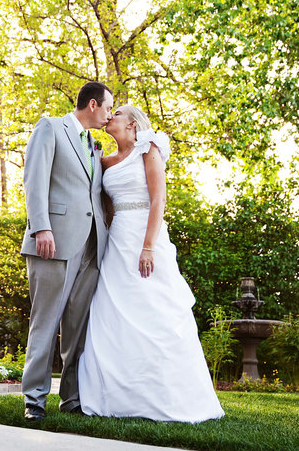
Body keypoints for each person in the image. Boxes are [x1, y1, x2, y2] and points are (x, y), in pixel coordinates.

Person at [77, 105, 225, 423]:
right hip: (116, 243)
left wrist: (147, 248)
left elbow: (158, 199)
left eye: (115, 113)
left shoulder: (149, 148)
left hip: (146, 238)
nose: (108, 116)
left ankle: (169, 396)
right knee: (111, 312)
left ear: (131, 123)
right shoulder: (103, 161)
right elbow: (104, 209)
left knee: (156, 313)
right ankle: (116, 397)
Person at [20, 81, 113, 421]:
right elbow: (34, 179)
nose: (109, 115)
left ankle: (71, 397)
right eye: (107, 107)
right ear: (92, 104)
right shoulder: (50, 127)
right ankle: (34, 399)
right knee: (45, 321)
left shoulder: (94, 145)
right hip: (53, 241)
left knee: (78, 325)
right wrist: (41, 226)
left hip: (91, 246)